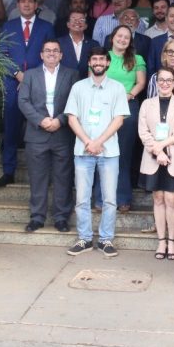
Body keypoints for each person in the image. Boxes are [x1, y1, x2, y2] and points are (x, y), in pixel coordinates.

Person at [63, 47, 130, 258]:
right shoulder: (78, 87)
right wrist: (87, 141)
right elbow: (72, 117)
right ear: (89, 63)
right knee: (82, 198)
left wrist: (98, 142)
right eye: (95, 59)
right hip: (82, 151)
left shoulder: (118, 88)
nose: (99, 62)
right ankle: (84, 238)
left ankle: (106, 239)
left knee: (110, 199)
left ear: (108, 63)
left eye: (102, 59)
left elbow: (119, 119)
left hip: (109, 152)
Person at [17, 39, 78, 233]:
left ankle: (61, 218)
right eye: (47, 51)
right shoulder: (30, 75)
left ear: (61, 55)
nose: (51, 53)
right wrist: (40, 120)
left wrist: (60, 120)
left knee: (63, 177)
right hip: (36, 133)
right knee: (37, 177)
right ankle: (37, 217)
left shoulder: (71, 75)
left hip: (62, 133)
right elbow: (23, 101)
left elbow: (75, 102)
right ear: (41, 55)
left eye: (55, 51)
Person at [0, 0, 55, 188]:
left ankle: (39, 174)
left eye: (30, 1)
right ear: (18, 5)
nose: (27, 5)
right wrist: (18, 74)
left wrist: (28, 77)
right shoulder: (8, 26)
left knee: (38, 128)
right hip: (13, 83)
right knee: (11, 127)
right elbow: (1, 55)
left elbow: (50, 54)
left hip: (38, 83)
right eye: (23, 2)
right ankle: (8, 171)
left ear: (36, 4)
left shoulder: (46, 27)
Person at [138, 66, 174, 261]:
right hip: (153, 157)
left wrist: (163, 144)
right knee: (158, 198)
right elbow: (143, 132)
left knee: (172, 200)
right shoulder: (146, 104)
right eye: (161, 79)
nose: (165, 83)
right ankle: (161, 240)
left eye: (169, 80)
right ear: (156, 82)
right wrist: (157, 150)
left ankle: (172, 241)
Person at [101, 25, 146, 212]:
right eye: (119, 36)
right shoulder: (102, 57)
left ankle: (123, 198)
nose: (122, 39)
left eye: (126, 37)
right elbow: (92, 79)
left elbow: (141, 82)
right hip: (103, 108)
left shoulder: (137, 59)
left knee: (123, 154)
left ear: (130, 41)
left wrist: (128, 95)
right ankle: (100, 198)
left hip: (127, 107)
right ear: (112, 38)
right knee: (102, 153)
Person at [58, 10, 90, 78]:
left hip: (86, 84)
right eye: (73, 19)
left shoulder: (93, 44)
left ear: (86, 26)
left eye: (81, 20)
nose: (77, 22)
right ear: (68, 24)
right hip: (64, 82)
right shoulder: (58, 43)